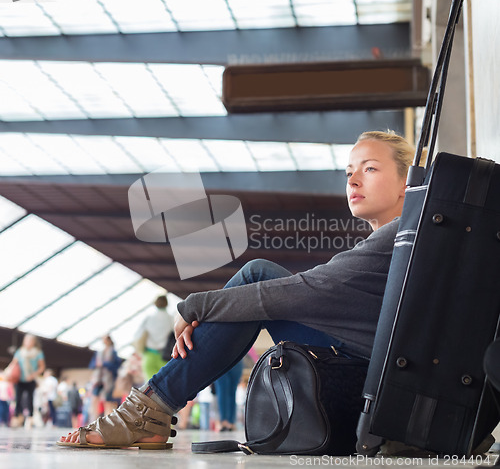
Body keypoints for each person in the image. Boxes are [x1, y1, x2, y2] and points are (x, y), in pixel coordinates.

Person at [58, 130, 412, 449]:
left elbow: (307, 290)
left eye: (369, 169)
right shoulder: (402, 240)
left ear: (406, 182)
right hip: (374, 366)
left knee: (257, 279)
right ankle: (153, 409)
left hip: (372, 378)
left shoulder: (397, 236)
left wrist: (195, 306)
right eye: (348, 170)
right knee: (257, 279)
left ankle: (150, 409)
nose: (352, 178)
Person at [133, 294, 174, 380]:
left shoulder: (149, 318)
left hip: (149, 355)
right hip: (165, 356)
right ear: (167, 304)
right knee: (164, 383)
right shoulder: (171, 319)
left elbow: (138, 335)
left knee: (150, 386)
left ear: (155, 304)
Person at [9, 334, 45, 428]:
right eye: (26, 340)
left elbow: (42, 367)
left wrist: (33, 375)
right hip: (20, 380)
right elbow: (14, 363)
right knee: (18, 399)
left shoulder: (38, 352)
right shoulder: (20, 352)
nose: (27, 342)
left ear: (33, 342)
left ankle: (29, 419)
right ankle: (17, 419)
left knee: (30, 400)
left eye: (30, 340)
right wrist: (7, 372)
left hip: (31, 380)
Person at [88, 335, 121, 421]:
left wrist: (104, 364)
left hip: (109, 380)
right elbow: (91, 365)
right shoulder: (99, 353)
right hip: (98, 380)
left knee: (108, 401)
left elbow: (116, 367)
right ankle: (92, 420)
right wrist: (98, 364)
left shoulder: (113, 352)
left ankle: (108, 421)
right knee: (94, 400)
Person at [214, 361, 243, 432]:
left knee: (229, 391)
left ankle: (229, 421)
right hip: (222, 359)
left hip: (235, 360)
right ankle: (226, 421)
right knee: (224, 390)